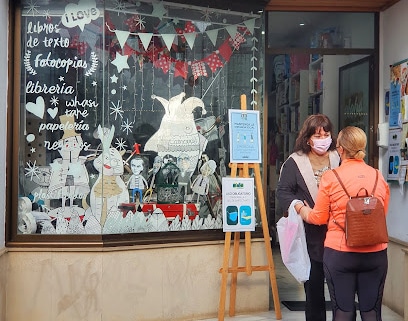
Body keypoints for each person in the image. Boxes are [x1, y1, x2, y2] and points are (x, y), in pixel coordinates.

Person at [297, 126, 390, 321]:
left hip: (340, 254)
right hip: (375, 254)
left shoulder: (331, 177)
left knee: (343, 311)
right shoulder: (378, 176)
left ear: (340, 149)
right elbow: (381, 214)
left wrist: (301, 209)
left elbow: (319, 218)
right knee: (372, 312)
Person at [276, 114, 340, 321]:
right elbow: (284, 191)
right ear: (308, 138)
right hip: (309, 234)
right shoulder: (295, 162)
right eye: (317, 135)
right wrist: (299, 208)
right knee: (313, 288)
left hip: (337, 232)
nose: (323, 139)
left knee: (340, 287)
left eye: (326, 134)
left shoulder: (338, 157)